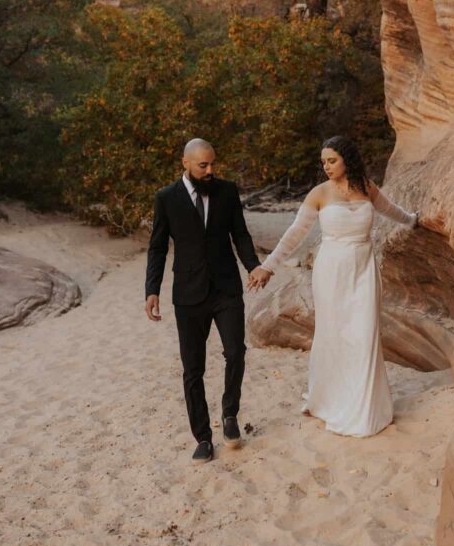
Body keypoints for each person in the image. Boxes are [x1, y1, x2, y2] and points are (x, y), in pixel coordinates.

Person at [248, 135, 418, 438]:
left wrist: (414, 221)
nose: (326, 166)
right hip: (331, 271)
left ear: (346, 159)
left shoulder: (366, 187)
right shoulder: (319, 194)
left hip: (364, 267)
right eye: (323, 161)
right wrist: (268, 266)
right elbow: (294, 234)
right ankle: (331, 399)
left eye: (332, 160)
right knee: (334, 333)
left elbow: (392, 211)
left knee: (364, 334)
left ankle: (364, 407)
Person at [144, 138, 263, 464]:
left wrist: (254, 266)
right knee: (192, 369)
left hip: (226, 288)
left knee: (236, 352)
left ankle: (229, 415)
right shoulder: (166, 198)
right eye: (203, 166)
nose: (210, 170)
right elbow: (157, 247)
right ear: (185, 163)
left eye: (213, 164)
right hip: (188, 295)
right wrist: (151, 289)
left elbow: (240, 233)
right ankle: (202, 437)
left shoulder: (227, 190)